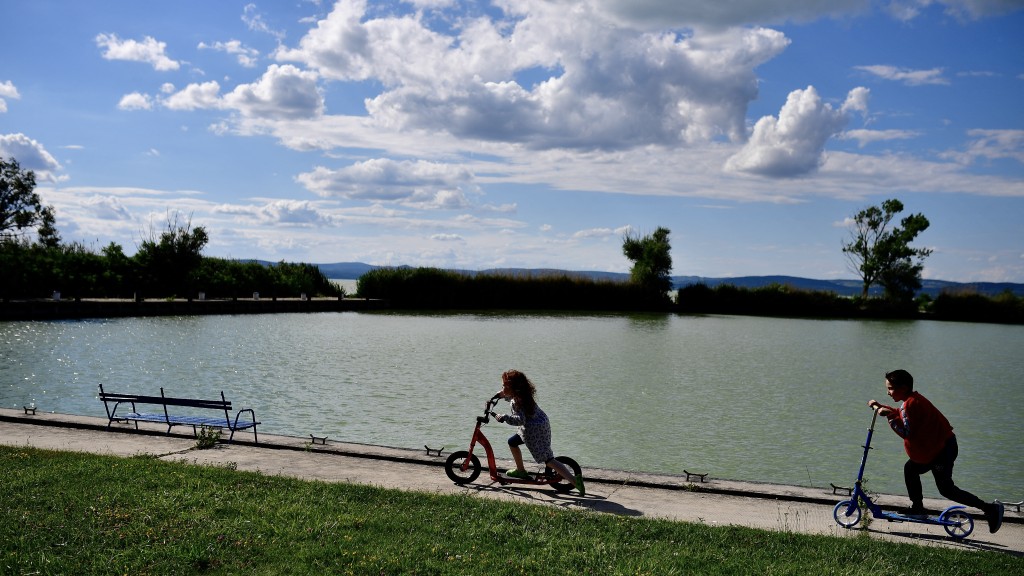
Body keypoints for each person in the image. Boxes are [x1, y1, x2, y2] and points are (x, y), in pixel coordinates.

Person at [868, 369, 1003, 533]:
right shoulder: (911, 401)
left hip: (942, 451)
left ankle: (990, 509)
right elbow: (902, 414)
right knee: (910, 469)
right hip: (934, 449)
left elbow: (905, 431)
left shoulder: (912, 404)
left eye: (890, 388)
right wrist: (882, 407)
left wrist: (889, 417)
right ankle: (917, 508)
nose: (888, 393)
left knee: (946, 489)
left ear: (903, 388)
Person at [492, 369, 585, 496]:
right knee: (512, 442)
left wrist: (504, 417)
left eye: (504, 386)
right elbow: (508, 396)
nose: (502, 388)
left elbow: (520, 420)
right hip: (540, 424)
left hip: (533, 431)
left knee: (548, 460)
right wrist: (499, 395)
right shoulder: (522, 395)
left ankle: (575, 481)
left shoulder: (516, 401)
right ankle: (520, 470)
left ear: (512, 388)